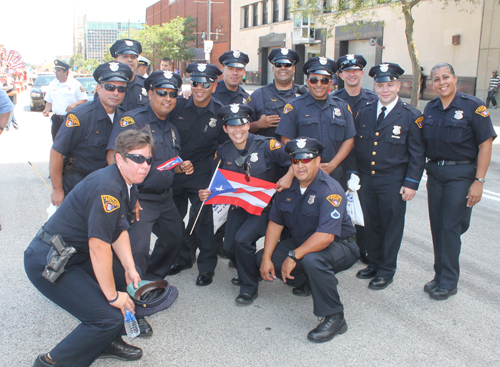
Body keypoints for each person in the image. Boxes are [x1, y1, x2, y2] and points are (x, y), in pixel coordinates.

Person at [26, 129, 155, 367]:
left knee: (120, 275)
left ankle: (106, 342)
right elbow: (98, 247)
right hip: (49, 261)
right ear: (119, 158)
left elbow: (118, 229)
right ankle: (51, 362)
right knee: (106, 317)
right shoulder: (107, 187)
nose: (144, 165)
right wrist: (113, 296)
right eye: (137, 158)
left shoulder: (127, 181)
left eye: (148, 159)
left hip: (73, 254)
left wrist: (129, 267)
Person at [257, 137, 359, 343]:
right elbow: (275, 224)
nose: (301, 165)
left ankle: (334, 316)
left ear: (317, 160)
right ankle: (310, 281)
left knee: (313, 261)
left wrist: (294, 256)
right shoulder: (288, 188)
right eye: (296, 161)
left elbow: (326, 236)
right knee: (263, 258)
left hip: (340, 245)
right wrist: (267, 257)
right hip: (305, 241)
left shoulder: (330, 190)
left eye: (306, 160)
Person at [197, 104, 293, 304]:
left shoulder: (268, 145)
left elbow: (294, 162)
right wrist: (206, 192)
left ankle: (248, 287)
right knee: (229, 245)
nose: (237, 130)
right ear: (225, 129)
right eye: (232, 126)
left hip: (265, 207)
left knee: (243, 241)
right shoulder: (223, 151)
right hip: (239, 205)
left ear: (249, 125)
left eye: (241, 125)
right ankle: (248, 270)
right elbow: (216, 179)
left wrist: (289, 177)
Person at [107, 71, 193, 280]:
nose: (168, 98)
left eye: (173, 94)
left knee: (174, 237)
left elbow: (166, 164)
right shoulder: (133, 121)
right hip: (140, 196)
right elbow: (113, 158)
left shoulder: (171, 128)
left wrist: (180, 167)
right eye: (162, 93)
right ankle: (131, 288)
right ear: (150, 93)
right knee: (138, 247)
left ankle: (153, 277)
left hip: (165, 197)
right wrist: (128, 195)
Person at [422, 62, 496, 300]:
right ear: (432, 83)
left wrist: (479, 181)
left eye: (446, 77)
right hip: (435, 173)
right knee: (437, 227)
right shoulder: (430, 108)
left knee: (451, 227)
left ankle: (449, 281)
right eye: (436, 79)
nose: (441, 82)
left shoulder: (473, 106)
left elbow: (485, 145)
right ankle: (439, 275)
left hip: (461, 174)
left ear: (455, 78)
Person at [353, 62, 426, 290]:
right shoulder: (364, 112)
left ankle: (386, 270)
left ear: (398, 86)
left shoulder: (410, 116)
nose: (385, 90)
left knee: (391, 226)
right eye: (381, 85)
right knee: (371, 224)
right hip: (367, 179)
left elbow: (417, 154)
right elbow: (356, 146)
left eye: (390, 85)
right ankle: (373, 263)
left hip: (393, 181)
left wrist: (411, 183)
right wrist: (353, 173)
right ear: (374, 87)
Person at [168, 63, 227, 286]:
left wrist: (216, 178)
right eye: (195, 83)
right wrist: (176, 163)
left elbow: (224, 148)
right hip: (175, 170)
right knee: (173, 219)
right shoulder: (177, 108)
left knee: (203, 220)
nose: (199, 88)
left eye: (205, 83)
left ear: (214, 85)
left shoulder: (220, 113)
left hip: (203, 171)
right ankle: (183, 258)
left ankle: (206, 267)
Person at [49, 61, 132, 207]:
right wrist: (57, 189)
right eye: (110, 87)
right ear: (98, 88)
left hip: (111, 188)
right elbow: (57, 151)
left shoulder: (126, 119)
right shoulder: (80, 116)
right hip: (79, 186)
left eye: (121, 88)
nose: (116, 92)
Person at [277, 56, 356, 184]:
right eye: (314, 80)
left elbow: (349, 140)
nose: (319, 85)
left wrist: (332, 165)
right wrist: (307, 164)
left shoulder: (343, 107)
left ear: (331, 83)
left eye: (324, 80)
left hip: (334, 175)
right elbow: (286, 140)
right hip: (303, 175)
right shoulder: (294, 107)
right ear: (307, 82)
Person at [332, 53, 377, 263]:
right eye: (347, 70)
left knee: (365, 206)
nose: (352, 74)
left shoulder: (374, 100)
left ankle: (364, 247)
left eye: (356, 70)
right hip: (340, 162)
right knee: (338, 204)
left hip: (366, 162)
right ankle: (341, 246)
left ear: (362, 73)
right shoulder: (333, 100)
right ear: (341, 74)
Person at [247, 48, 306, 137]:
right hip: (268, 150)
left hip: (299, 149)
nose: (283, 68)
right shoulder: (258, 95)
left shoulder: (305, 94)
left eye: (287, 65)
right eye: (278, 65)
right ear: (273, 68)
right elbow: (242, 128)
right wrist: (258, 124)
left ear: (293, 68)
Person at [43, 60, 88, 141]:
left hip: (71, 119)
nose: (56, 73)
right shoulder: (53, 84)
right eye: (55, 71)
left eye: (58, 71)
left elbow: (84, 100)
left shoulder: (75, 84)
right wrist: (46, 110)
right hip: (56, 120)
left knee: (70, 145)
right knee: (56, 145)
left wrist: (74, 104)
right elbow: (49, 101)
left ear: (66, 72)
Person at [110, 39, 149, 111]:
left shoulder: (146, 84)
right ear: (116, 60)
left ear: (137, 61)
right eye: (125, 56)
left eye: (133, 57)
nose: (130, 60)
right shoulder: (108, 86)